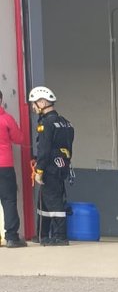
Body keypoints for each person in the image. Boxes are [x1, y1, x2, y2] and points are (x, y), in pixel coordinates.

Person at [28, 86, 73, 246]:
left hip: (49, 168)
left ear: (42, 101)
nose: (33, 107)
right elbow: (66, 147)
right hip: (61, 167)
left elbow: (45, 149)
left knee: (54, 203)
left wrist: (39, 170)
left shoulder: (46, 123)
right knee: (45, 202)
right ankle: (43, 235)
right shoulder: (65, 123)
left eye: (34, 103)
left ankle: (60, 237)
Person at [0, 97, 26, 248]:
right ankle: (11, 238)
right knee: (9, 201)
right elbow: (19, 138)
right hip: (4, 166)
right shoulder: (6, 119)